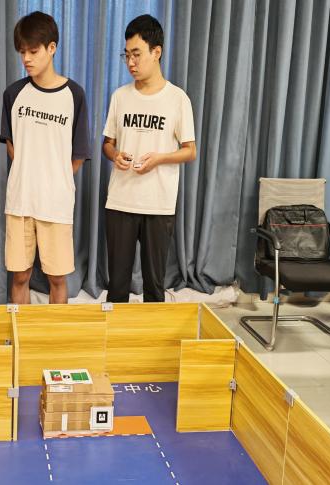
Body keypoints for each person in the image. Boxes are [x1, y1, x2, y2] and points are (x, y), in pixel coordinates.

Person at [102, 14, 197, 303]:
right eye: (126, 55)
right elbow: (107, 145)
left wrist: (159, 158)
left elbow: (190, 150)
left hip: (159, 203)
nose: (130, 62)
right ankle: (116, 331)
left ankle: (152, 332)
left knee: (154, 286)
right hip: (120, 200)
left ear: (156, 52)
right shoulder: (120, 96)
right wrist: (116, 155)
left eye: (137, 54)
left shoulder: (178, 98)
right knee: (117, 285)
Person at [0, 11, 91, 304]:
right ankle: (22, 329)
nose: (26, 58)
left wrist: (54, 180)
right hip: (20, 201)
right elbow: (11, 143)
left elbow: (78, 154)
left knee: (57, 278)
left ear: (52, 48)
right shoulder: (14, 93)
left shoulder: (74, 95)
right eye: (22, 52)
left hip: (56, 203)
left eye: (33, 51)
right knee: (20, 275)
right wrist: (29, 171)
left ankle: (55, 331)